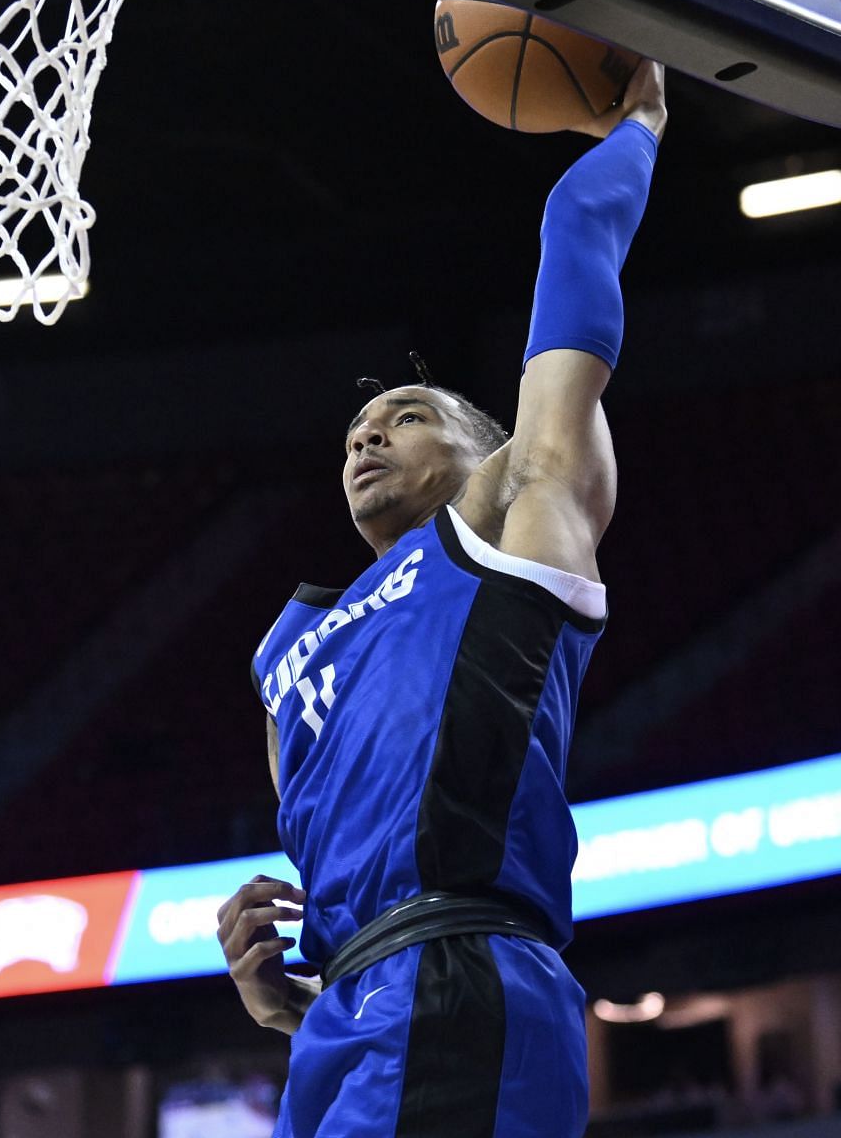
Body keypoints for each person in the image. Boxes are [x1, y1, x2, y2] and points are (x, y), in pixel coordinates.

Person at [215, 58, 669, 1137]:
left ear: (488, 452)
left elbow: (574, 260)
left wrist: (638, 126)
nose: (369, 432)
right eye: (357, 432)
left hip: (466, 975)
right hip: (349, 1020)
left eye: (407, 415)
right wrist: (286, 990)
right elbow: (343, 861)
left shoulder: (514, 524)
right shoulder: (289, 656)